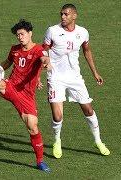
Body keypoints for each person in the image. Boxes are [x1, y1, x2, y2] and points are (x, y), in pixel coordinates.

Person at [0, 19, 52, 173]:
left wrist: (46, 63)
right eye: (17, 35)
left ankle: (40, 161)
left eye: (22, 34)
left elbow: (44, 58)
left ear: (30, 34)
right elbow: (7, 63)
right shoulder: (14, 49)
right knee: (0, 85)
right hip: (12, 86)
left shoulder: (39, 50)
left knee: (33, 128)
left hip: (27, 95)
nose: (19, 37)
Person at [41, 4, 110, 159]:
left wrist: (95, 73)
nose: (63, 17)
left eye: (66, 14)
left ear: (74, 16)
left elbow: (87, 51)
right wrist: (39, 73)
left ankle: (98, 141)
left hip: (75, 78)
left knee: (88, 110)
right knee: (58, 116)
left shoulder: (83, 32)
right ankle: (57, 140)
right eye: (61, 14)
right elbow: (43, 51)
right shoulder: (52, 31)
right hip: (55, 77)